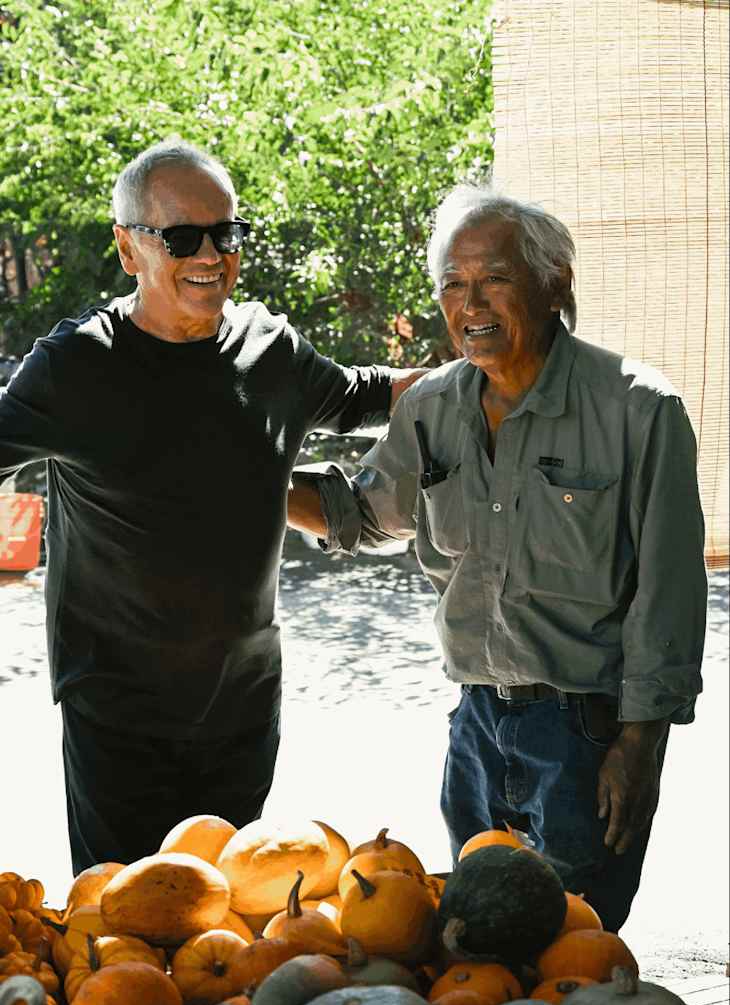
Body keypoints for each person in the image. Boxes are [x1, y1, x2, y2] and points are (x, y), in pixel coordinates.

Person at [288, 183, 707, 933]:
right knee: (477, 950)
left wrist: (641, 742)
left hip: (588, 736)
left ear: (555, 286)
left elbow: (668, 594)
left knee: (574, 953)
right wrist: (245, 483)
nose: (469, 302)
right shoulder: (430, 407)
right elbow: (360, 515)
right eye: (453, 283)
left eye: (494, 279)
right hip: (476, 725)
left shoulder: (638, 409)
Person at [0, 138, 424, 875]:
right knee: (128, 920)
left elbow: (366, 395)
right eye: (183, 237)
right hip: (117, 711)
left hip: (242, 703)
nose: (211, 254)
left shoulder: (271, 351)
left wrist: (492, 378)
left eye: (226, 233)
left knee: (230, 917)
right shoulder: (76, 367)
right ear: (129, 249)